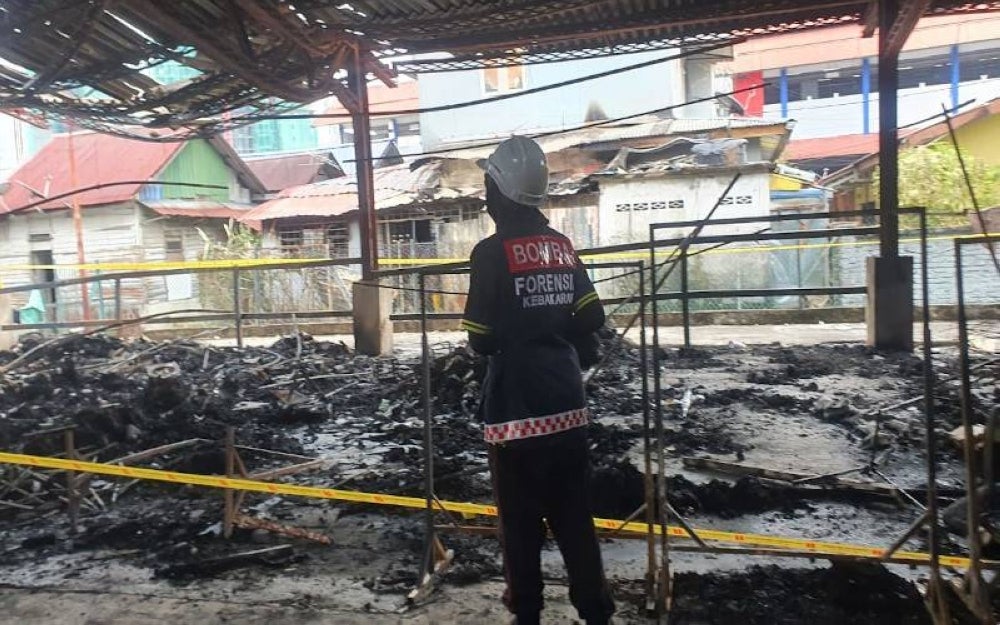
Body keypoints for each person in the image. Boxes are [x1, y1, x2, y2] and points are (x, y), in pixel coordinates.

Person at [462, 136, 615, 625]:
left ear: (501, 192)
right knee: (575, 520)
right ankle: (595, 611)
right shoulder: (561, 246)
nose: (486, 196)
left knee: (521, 527)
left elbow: (481, 340)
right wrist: (553, 324)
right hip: (567, 406)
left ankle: (527, 613)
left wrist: (516, 327)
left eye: (488, 186)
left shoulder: (489, 254)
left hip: (516, 414)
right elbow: (592, 318)